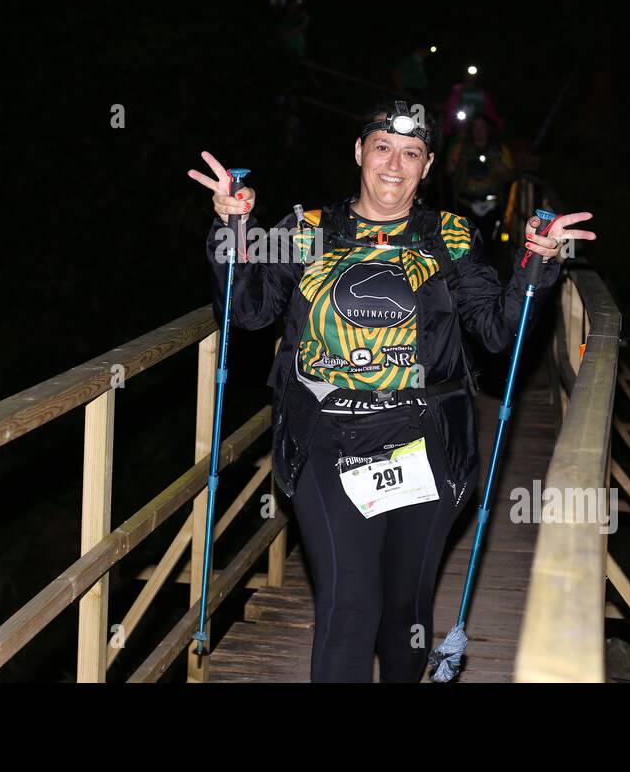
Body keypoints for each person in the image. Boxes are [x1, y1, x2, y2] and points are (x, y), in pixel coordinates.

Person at [186, 103, 595, 682]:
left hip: (426, 438)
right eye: (382, 147)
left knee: (405, 610)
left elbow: (498, 330)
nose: (394, 164)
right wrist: (231, 227)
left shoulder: (451, 236)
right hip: (327, 435)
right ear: (359, 152)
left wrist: (537, 262)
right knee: (348, 605)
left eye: (411, 153)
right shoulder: (307, 230)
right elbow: (248, 310)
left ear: (427, 166)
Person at [444, 113, 517, 245]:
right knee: (465, 244)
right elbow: (449, 174)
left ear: (488, 129)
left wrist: (504, 171)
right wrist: (451, 168)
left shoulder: (500, 149)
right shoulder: (459, 148)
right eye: (476, 127)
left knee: (488, 243)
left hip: (491, 206)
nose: (479, 130)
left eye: (482, 126)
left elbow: (511, 177)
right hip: (465, 204)